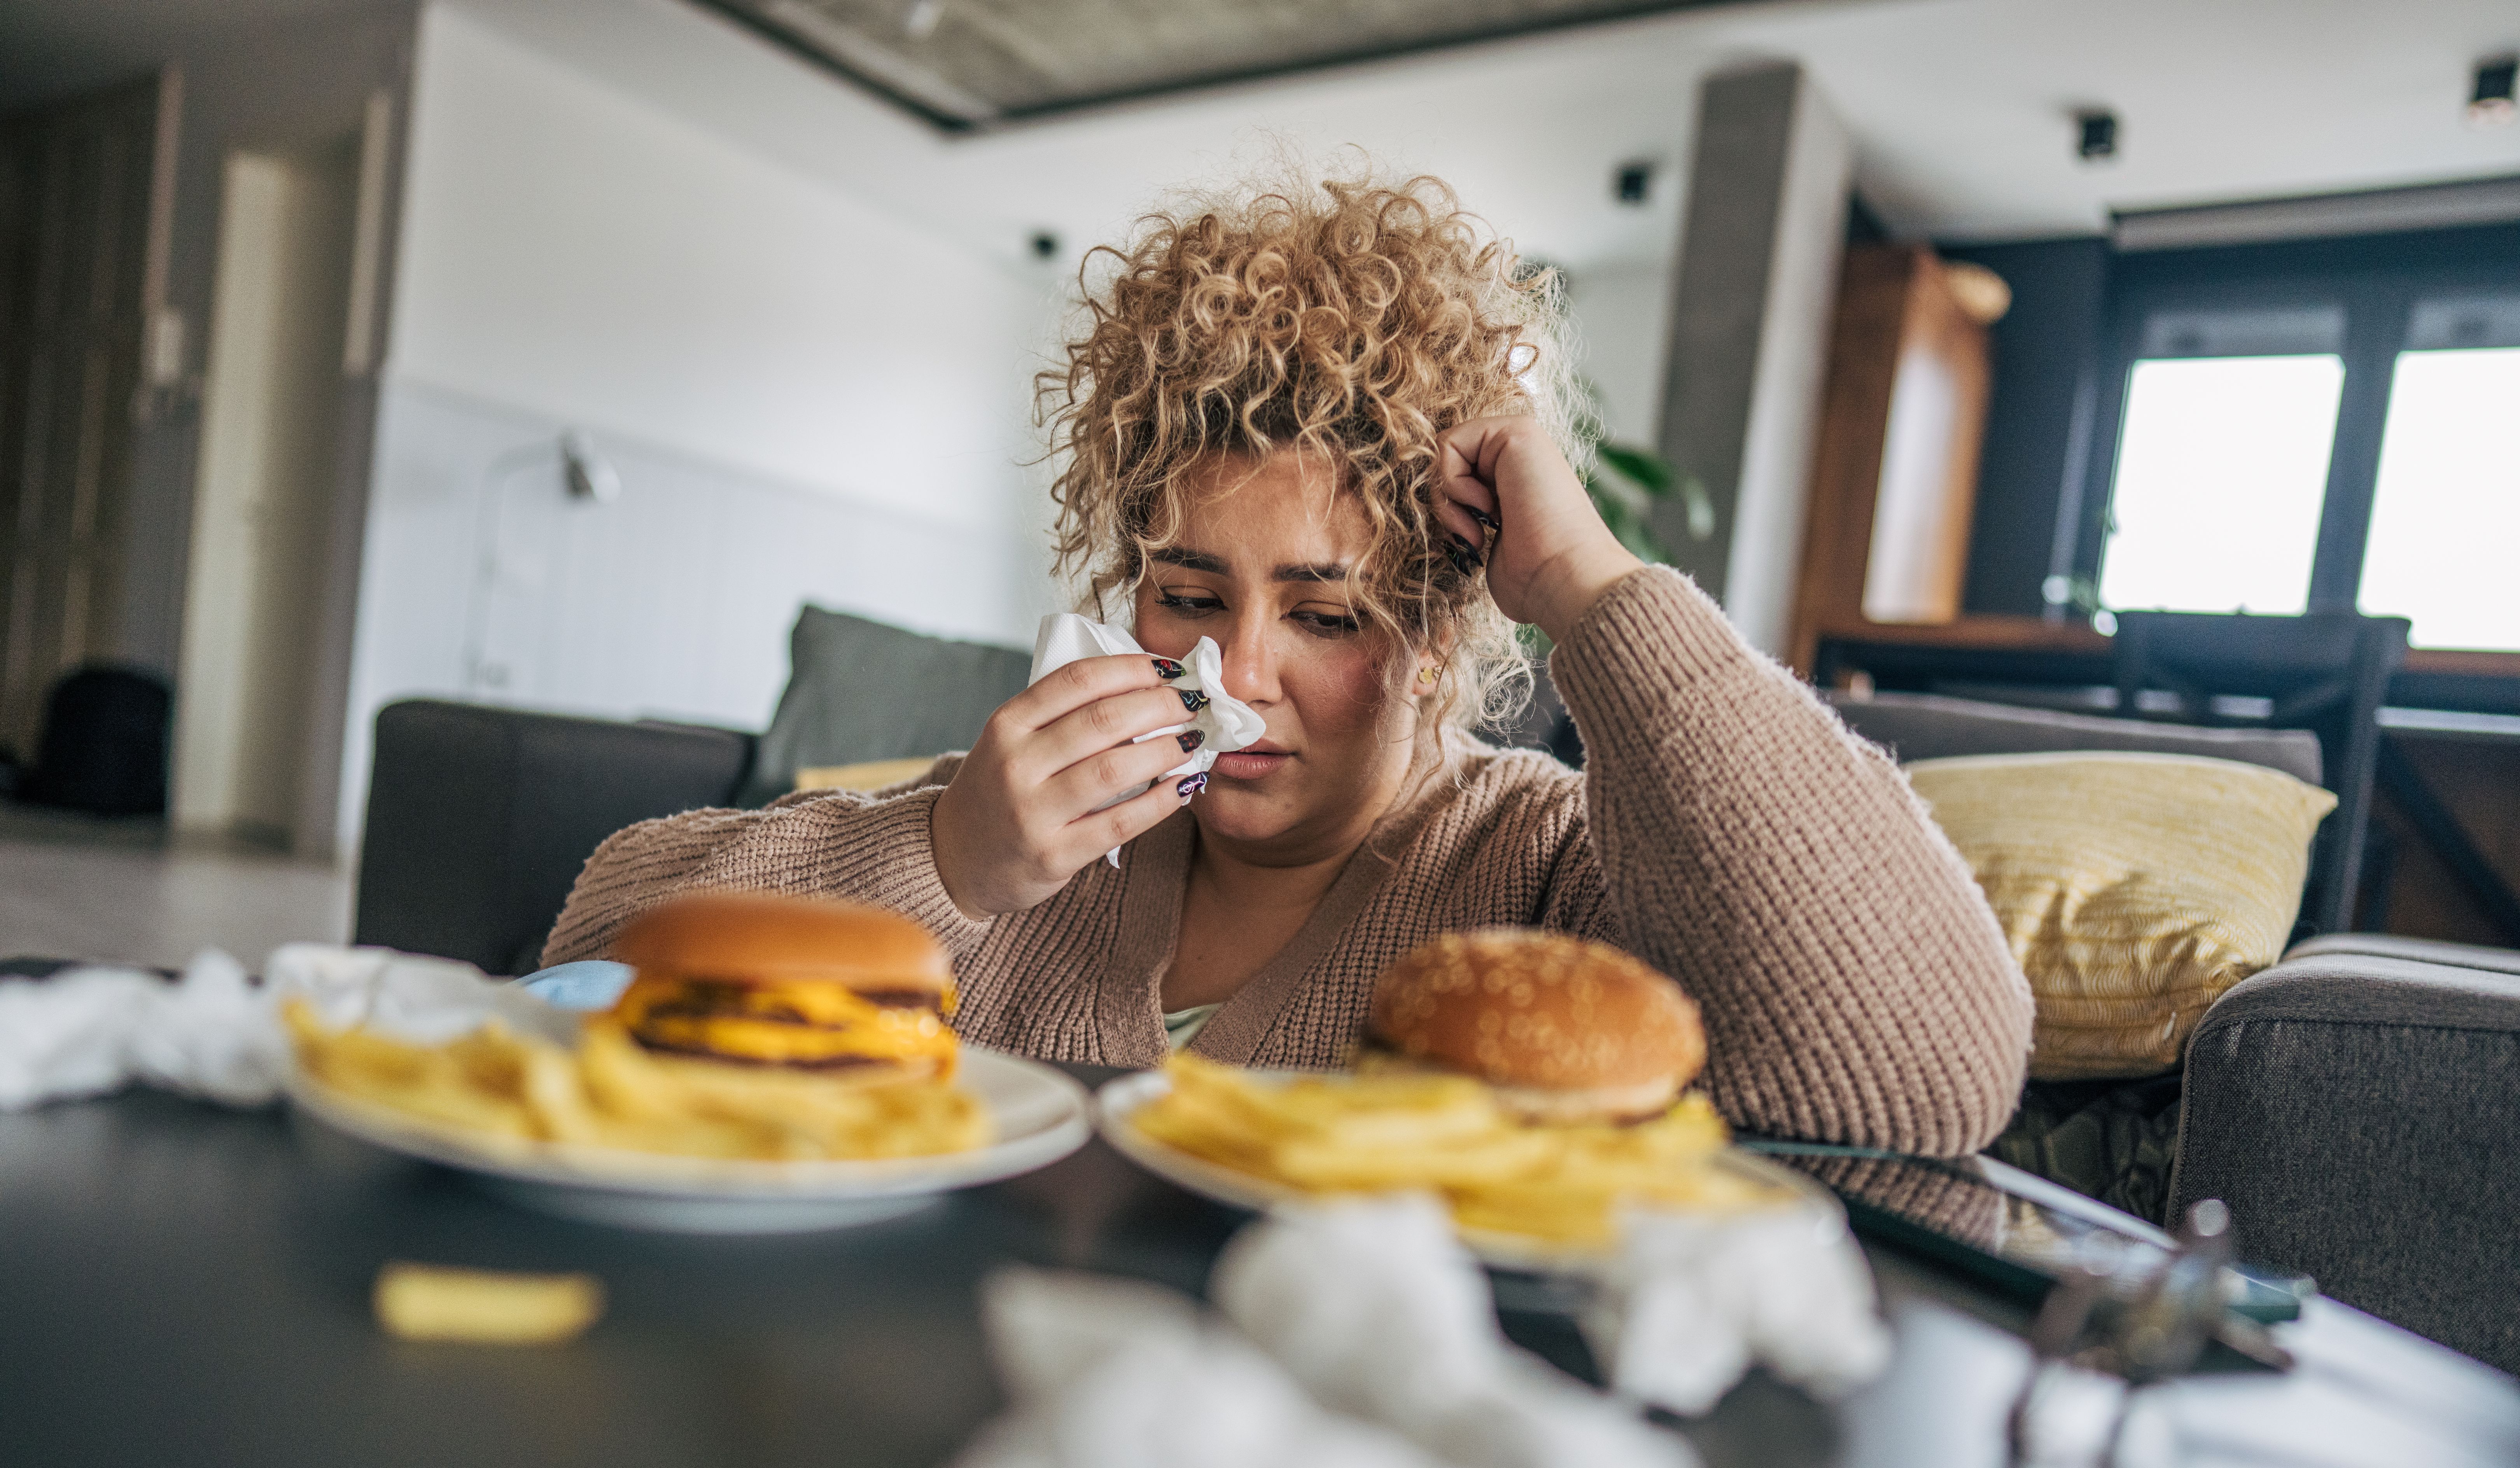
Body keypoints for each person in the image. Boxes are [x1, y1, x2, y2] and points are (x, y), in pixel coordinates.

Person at [544, 168, 2032, 1155]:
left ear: (1443, 632)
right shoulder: (1029, 835)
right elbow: (585, 959)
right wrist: (946, 859)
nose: (1235, 673)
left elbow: (1928, 1076)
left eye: (1326, 617)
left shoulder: (1539, 871)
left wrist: (1593, 588)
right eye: (1188, 594)